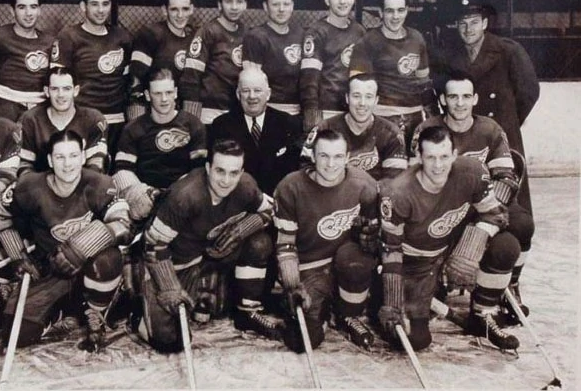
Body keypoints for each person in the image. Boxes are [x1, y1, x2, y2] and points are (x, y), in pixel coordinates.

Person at [378, 125, 521, 352]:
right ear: (418, 157)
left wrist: (472, 244)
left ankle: (482, 314)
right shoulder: (398, 193)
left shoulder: (471, 171)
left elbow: (496, 214)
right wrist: (393, 301)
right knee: (416, 340)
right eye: (431, 157)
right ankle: (394, 303)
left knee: (506, 246)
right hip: (415, 264)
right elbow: (390, 250)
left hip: (449, 248)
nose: (438, 165)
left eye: (444, 156)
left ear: (455, 154)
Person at [411, 72, 535, 325]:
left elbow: (506, 178)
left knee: (522, 224)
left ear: (475, 99)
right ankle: (442, 277)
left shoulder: (490, 128)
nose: (460, 103)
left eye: (466, 96)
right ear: (443, 100)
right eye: (453, 97)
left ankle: (510, 284)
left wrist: (483, 226)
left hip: (486, 201)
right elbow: (416, 179)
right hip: (444, 206)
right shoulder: (427, 129)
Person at [136, 139, 282, 352]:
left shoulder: (246, 186)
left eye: (234, 173)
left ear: (241, 172)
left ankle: (247, 310)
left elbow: (270, 210)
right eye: (219, 171)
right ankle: (136, 311)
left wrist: (244, 228)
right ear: (207, 168)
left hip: (210, 254)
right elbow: (153, 245)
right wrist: (170, 287)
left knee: (259, 243)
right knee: (169, 341)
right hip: (174, 262)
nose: (226, 180)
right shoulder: (185, 195)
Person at [0, 130, 132, 351]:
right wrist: (17, 256)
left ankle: (96, 311)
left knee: (108, 260)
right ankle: (66, 307)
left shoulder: (99, 183)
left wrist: (81, 247)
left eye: (74, 156)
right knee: (17, 334)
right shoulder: (28, 186)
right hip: (50, 268)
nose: (68, 164)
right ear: (50, 160)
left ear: (83, 157)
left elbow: (124, 224)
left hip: (90, 266)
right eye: (60, 157)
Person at [274, 129, 379, 351]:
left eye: (338, 157)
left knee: (357, 259)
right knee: (304, 341)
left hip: (342, 263)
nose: (331, 164)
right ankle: (321, 312)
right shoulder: (290, 187)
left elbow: (370, 237)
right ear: (313, 156)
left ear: (348, 157)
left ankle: (345, 313)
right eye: (324, 156)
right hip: (309, 267)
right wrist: (292, 285)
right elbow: (285, 245)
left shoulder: (364, 185)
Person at [439, 0, 540, 214]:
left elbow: (529, 91)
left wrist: (509, 120)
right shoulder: (451, 55)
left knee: (509, 187)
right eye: (463, 24)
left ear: (484, 24)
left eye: (474, 23)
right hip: (469, 131)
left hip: (502, 129)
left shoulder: (508, 50)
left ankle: (514, 229)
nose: (468, 29)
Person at [349, 0, 437, 157]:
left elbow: (424, 81)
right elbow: (358, 85)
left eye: (400, 10)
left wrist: (433, 117)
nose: (396, 16)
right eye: (390, 11)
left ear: (407, 11)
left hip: (414, 115)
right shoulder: (368, 41)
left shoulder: (417, 38)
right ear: (381, 13)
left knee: (413, 169)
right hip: (383, 114)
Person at [51, 0, 132, 163]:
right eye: (95, 4)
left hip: (115, 116)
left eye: (105, 4)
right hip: (83, 118)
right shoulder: (69, 36)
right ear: (83, 6)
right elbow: (57, 79)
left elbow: (128, 78)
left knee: (112, 168)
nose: (101, 10)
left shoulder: (122, 36)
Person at [114, 68, 207, 220]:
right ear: (147, 95)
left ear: (176, 92)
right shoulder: (133, 129)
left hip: (181, 198)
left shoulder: (193, 125)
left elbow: (199, 170)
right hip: (143, 199)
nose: (164, 99)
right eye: (157, 93)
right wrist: (141, 194)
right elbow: (122, 170)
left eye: (169, 93)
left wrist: (176, 194)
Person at [210, 68, 300, 196]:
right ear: (238, 94)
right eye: (246, 91)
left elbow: (294, 173)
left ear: (268, 94)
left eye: (257, 90)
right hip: (237, 199)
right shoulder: (221, 125)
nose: (252, 96)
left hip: (279, 199)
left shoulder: (288, 124)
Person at [301, 73, 407, 181]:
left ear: (376, 100)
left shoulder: (391, 133)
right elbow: (305, 170)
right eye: (356, 96)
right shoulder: (324, 128)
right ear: (347, 98)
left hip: (375, 194)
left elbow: (394, 182)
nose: (362, 103)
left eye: (369, 97)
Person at [0, 0, 55, 122]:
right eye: (21, 7)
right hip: (5, 104)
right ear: (12, 11)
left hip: (39, 107)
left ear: (39, 10)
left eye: (33, 7)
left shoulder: (49, 42)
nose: (28, 13)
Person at [300, 0, 366, 130]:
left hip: (353, 111)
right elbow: (309, 79)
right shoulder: (316, 32)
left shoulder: (360, 31)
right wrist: (311, 113)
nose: (342, 1)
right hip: (326, 110)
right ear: (327, 0)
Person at [178, 0, 247, 125]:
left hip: (237, 111)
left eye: (239, 1)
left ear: (245, 5)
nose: (234, 7)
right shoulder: (208, 31)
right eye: (229, 1)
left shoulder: (247, 33)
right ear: (219, 5)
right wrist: (192, 120)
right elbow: (191, 77)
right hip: (210, 113)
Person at [18, 67, 108, 175]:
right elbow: (23, 165)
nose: (60, 95)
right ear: (47, 91)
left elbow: (96, 165)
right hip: (41, 185)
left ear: (76, 91)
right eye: (55, 89)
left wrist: (74, 186)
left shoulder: (93, 119)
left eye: (66, 89)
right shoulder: (30, 119)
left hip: (82, 185)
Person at [242, 0, 305, 130]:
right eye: (276, 4)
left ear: (292, 6)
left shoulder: (301, 34)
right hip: (268, 112)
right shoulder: (256, 37)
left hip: (296, 112)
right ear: (265, 6)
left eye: (286, 4)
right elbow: (252, 82)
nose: (281, 9)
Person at [127, 0, 195, 120]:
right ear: (165, 10)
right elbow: (136, 79)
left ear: (192, 9)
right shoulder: (150, 34)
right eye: (174, 9)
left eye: (185, 9)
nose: (180, 15)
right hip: (150, 109)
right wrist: (137, 122)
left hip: (178, 107)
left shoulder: (195, 37)